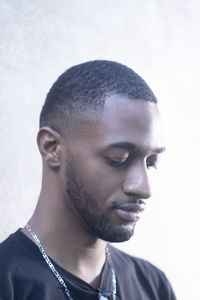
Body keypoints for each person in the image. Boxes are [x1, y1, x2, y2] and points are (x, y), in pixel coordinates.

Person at [0, 60, 176, 300]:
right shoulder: (7, 283)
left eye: (151, 162)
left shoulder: (153, 286)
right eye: (119, 158)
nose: (143, 188)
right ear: (52, 148)